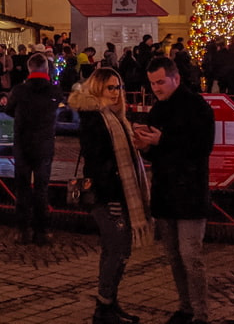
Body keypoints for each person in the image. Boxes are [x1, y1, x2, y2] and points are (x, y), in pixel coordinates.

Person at [132, 56, 215, 324]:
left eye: (160, 82)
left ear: (175, 78)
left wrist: (162, 140)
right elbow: (158, 155)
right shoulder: (158, 110)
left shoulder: (197, 107)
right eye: (152, 83)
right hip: (166, 194)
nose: (156, 88)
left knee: (191, 255)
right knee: (174, 256)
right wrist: (146, 147)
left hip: (190, 193)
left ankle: (201, 314)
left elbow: (202, 147)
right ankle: (185, 307)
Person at [69, 66, 150, 324]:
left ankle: (110, 303)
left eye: (119, 87)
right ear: (97, 88)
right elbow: (97, 161)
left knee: (115, 250)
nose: (117, 93)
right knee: (118, 250)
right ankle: (103, 307)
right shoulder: (95, 118)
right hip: (108, 197)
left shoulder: (114, 117)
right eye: (111, 88)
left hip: (117, 194)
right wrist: (113, 189)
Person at [5, 52, 63, 245]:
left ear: (30, 69)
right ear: (46, 69)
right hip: (44, 145)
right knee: (41, 188)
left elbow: (8, 110)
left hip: (22, 144)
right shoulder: (55, 92)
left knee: (22, 188)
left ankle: (21, 230)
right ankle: (43, 231)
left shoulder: (20, 90)